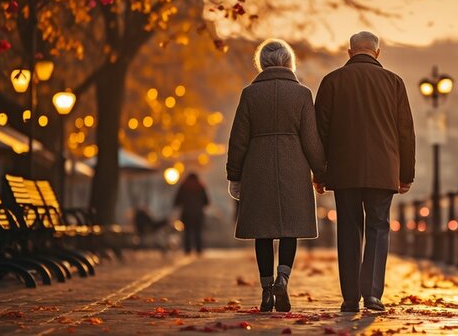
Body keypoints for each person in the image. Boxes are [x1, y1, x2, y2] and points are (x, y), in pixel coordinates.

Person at [314, 31, 415, 312]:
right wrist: (406, 173)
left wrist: (319, 173)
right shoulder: (394, 82)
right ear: (377, 53)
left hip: (344, 170)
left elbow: (319, 132)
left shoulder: (332, 81)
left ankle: (350, 297)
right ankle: (372, 294)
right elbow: (405, 132)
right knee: (378, 227)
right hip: (383, 170)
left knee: (348, 228)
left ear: (349, 52)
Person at [226, 39, 326, 313]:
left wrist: (235, 174)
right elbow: (312, 139)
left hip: (257, 167)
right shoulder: (302, 94)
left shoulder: (249, 94)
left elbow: (239, 139)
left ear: (262, 62)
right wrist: (320, 172)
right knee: (289, 228)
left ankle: (266, 288)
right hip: (293, 165)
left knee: (263, 231)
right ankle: (283, 277)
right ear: (289, 61)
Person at [173, 173, 209, 255]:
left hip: (186, 213)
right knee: (198, 232)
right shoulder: (201, 186)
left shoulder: (183, 186)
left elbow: (177, 201)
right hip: (198, 214)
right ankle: (198, 250)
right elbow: (206, 202)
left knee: (187, 232)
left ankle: (187, 250)